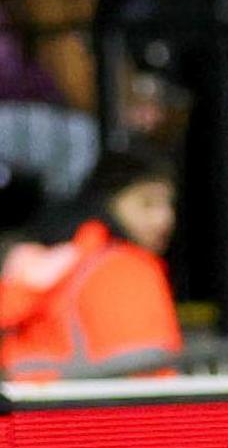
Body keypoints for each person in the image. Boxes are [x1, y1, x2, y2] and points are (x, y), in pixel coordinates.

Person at [0, 149, 179, 378]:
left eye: (169, 204)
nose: (164, 219)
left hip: (35, 393)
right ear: (109, 202)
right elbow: (147, 368)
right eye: (147, 204)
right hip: (82, 397)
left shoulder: (63, 252)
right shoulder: (121, 265)